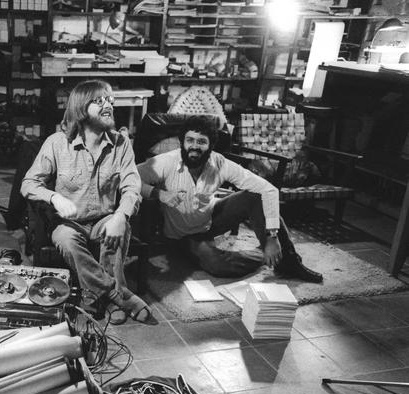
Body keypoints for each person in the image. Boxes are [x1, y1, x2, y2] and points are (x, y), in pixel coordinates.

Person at [21, 79, 154, 325]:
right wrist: (54, 196)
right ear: (81, 107)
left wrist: (120, 217)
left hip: (105, 218)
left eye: (110, 100)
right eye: (99, 100)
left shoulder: (121, 144)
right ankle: (117, 295)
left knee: (118, 233)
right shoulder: (57, 143)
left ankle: (93, 298)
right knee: (66, 241)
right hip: (70, 223)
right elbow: (28, 184)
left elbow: (132, 186)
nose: (108, 105)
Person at [137, 115, 323, 283]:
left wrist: (272, 237)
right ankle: (265, 254)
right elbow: (128, 178)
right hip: (183, 235)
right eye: (190, 140)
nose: (194, 146)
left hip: (211, 219)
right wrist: (159, 194)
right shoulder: (166, 162)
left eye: (202, 141)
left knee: (256, 196)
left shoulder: (219, 162)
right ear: (182, 142)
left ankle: (289, 260)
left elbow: (269, 190)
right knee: (217, 264)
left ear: (210, 146)